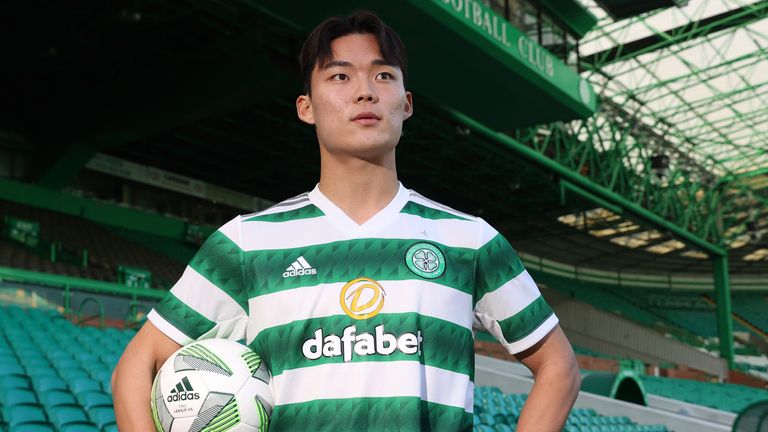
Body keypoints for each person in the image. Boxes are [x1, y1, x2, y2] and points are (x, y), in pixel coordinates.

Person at [112, 11, 580, 431]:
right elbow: (135, 367)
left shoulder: (470, 239)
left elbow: (558, 367)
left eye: (383, 75)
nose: (364, 90)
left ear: (407, 103)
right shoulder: (245, 243)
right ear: (306, 108)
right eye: (339, 76)